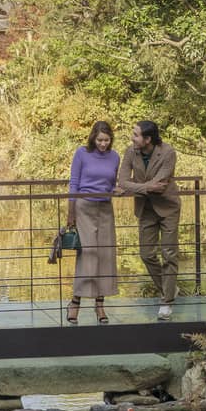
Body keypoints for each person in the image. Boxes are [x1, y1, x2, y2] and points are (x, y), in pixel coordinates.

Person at [116, 120, 181, 320]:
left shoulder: (168, 153)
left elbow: (159, 186)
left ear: (148, 139)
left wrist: (133, 187)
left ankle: (166, 302)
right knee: (146, 254)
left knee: (169, 254)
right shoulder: (130, 152)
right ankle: (169, 288)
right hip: (145, 209)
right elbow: (122, 181)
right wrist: (144, 187)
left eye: (135, 135)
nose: (131, 137)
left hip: (168, 207)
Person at [66, 120, 119, 324]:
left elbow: (112, 183)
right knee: (87, 254)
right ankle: (75, 303)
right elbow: (74, 182)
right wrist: (71, 211)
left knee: (105, 254)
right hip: (84, 206)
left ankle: (100, 305)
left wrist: (118, 190)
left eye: (107, 140)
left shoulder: (115, 157)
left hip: (105, 207)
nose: (103, 144)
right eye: (99, 140)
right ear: (93, 138)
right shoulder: (82, 153)